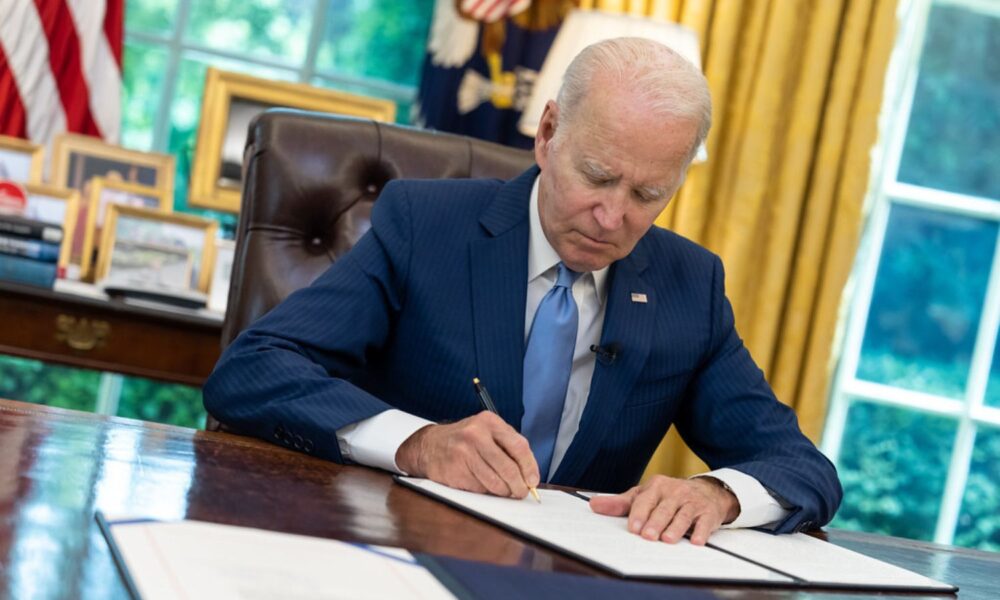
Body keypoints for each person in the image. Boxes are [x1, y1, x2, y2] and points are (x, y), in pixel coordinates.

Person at [204, 37, 842, 546]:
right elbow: (252, 371)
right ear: (547, 134)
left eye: (648, 195)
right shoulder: (422, 225)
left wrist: (720, 494)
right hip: (391, 553)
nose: (612, 216)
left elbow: (802, 468)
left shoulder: (688, 285)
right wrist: (416, 443)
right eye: (597, 176)